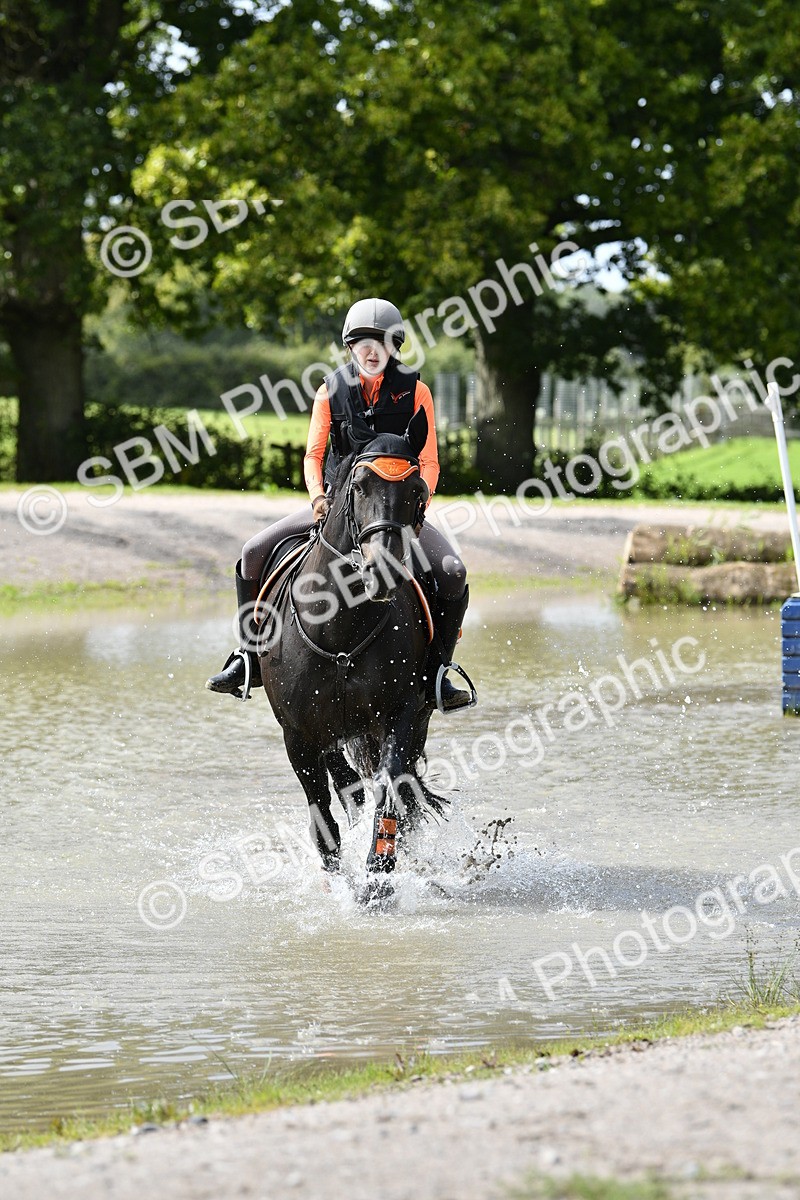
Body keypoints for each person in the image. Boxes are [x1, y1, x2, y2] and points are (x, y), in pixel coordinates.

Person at [206, 297, 475, 711]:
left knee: (453, 573)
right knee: (251, 554)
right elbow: (313, 455)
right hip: (334, 507)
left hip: (394, 515)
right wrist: (317, 497)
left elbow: (430, 462)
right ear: (350, 347)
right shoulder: (330, 390)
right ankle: (248, 657)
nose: (371, 350)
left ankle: (438, 674)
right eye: (362, 342)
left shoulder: (417, 391)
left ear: (394, 347)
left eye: (381, 342)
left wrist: (417, 511)